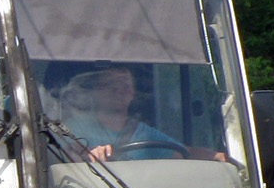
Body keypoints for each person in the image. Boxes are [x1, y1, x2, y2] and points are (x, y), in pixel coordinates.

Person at [60, 65, 225, 162]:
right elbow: (64, 156)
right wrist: (89, 156)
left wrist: (216, 156)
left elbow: (186, 153)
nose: (120, 91)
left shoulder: (143, 133)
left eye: (126, 86)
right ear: (96, 92)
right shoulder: (75, 127)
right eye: (112, 85)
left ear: (132, 93)